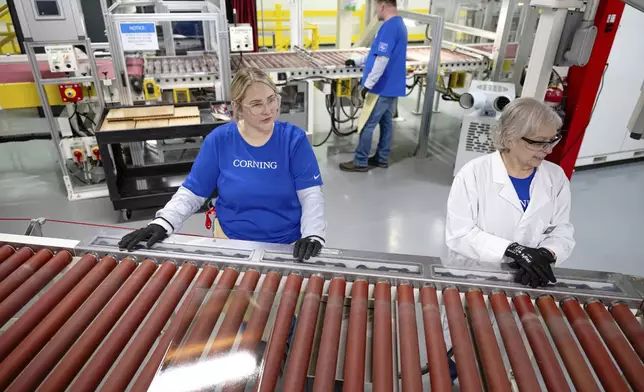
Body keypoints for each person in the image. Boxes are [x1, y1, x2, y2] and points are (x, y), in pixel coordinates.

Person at [119, 67, 326, 261]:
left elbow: (310, 194)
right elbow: (193, 191)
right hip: (231, 242)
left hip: (287, 245)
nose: (268, 110)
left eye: (272, 100)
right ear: (237, 107)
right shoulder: (220, 140)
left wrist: (313, 234)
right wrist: (164, 222)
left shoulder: (293, 140)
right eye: (256, 104)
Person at [445, 97, 575, 288]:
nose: (548, 150)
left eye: (552, 140)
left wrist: (547, 253)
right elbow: (460, 234)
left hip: (528, 278)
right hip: (475, 277)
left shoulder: (555, 177)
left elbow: (562, 229)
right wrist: (512, 249)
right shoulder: (473, 174)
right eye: (538, 142)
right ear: (509, 137)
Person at [339, 0, 408, 172]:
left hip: (381, 87)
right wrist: (356, 61)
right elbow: (376, 54)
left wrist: (367, 85)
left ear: (383, 6)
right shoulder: (398, 24)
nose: (375, 11)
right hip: (391, 87)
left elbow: (382, 60)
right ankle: (381, 158)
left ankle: (360, 161)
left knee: (367, 123)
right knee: (386, 124)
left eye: (376, 7)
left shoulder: (390, 27)